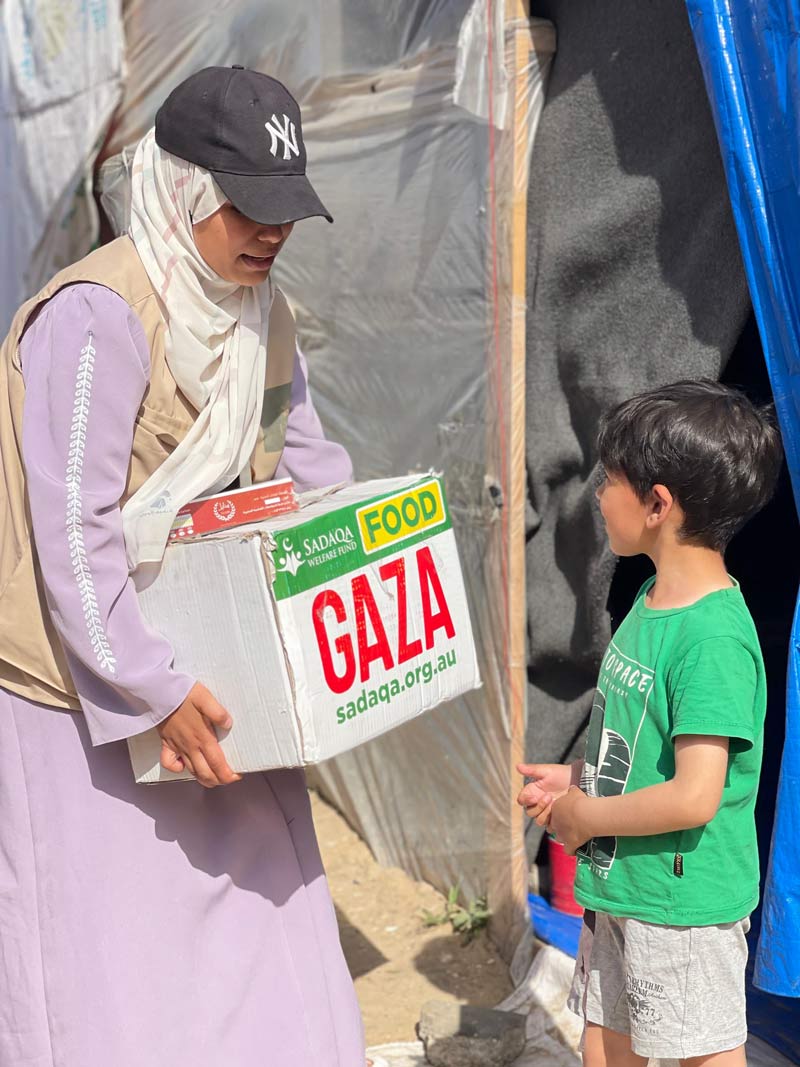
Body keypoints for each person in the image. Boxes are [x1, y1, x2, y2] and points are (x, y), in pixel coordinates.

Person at [0, 66, 366, 1066]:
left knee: (257, 924)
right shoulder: (98, 317)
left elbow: (309, 470)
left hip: (216, 663)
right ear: (183, 190)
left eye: (287, 210)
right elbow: (73, 537)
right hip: (81, 689)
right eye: (248, 206)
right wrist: (154, 690)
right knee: (109, 962)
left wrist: (369, 583)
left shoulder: (262, 316)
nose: (272, 232)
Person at [517, 380, 783, 1067]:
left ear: (658, 504)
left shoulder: (712, 640)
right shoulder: (649, 599)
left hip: (682, 907)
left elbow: (695, 795)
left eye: (610, 481)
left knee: (702, 1056)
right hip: (622, 889)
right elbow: (648, 750)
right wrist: (581, 778)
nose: (599, 495)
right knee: (603, 1045)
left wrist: (587, 815)